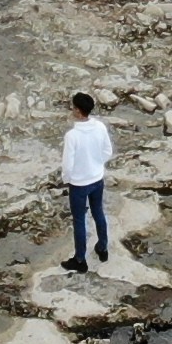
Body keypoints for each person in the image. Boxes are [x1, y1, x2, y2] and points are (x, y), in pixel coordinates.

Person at [60, 93, 114, 272]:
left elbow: (68, 164)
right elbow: (107, 151)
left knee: (79, 221)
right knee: (98, 212)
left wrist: (67, 179)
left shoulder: (72, 135)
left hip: (79, 183)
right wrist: (97, 164)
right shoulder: (99, 127)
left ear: (77, 110)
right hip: (97, 178)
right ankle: (103, 247)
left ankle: (80, 259)